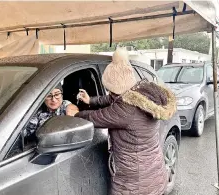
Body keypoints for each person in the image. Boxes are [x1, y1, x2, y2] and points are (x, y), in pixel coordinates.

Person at [69, 48, 177, 195]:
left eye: (110, 90)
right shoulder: (139, 93)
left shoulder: (126, 110)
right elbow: (113, 99)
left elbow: (97, 117)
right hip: (152, 172)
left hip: (135, 183)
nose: (109, 93)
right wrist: (91, 100)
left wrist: (76, 114)